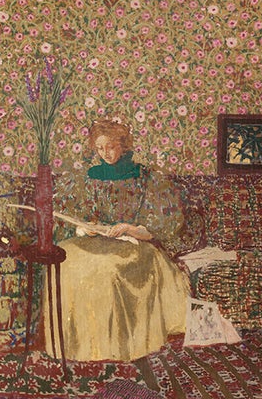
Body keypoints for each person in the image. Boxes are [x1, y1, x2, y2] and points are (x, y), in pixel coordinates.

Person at [44, 119, 190, 362]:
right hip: (96, 241)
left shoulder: (144, 178)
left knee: (107, 270)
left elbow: (159, 226)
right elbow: (76, 216)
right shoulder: (89, 177)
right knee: (65, 260)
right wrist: (85, 229)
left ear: (123, 145)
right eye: (100, 149)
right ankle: (75, 345)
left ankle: (113, 347)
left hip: (135, 244)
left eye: (111, 147)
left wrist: (130, 228)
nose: (105, 154)